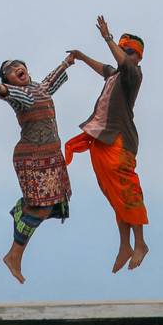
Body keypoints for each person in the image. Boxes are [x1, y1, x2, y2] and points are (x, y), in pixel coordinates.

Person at [0, 54, 73, 283]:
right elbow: (14, 95)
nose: (18, 68)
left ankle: (18, 227)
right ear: (9, 80)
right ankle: (14, 254)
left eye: (20, 65)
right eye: (11, 69)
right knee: (40, 208)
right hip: (31, 158)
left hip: (51, 157)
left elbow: (51, 80)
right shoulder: (20, 95)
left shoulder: (39, 88)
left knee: (51, 207)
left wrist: (68, 62)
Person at [64, 16, 148, 273]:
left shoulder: (133, 73)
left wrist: (107, 38)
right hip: (102, 138)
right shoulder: (116, 74)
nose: (123, 54)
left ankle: (141, 243)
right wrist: (80, 55)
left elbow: (119, 62)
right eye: (123, 50)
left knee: (127, 190)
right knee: (114, 194)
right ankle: (125, 245)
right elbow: (103, 68)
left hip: (119, 140)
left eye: (128, 51)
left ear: (138, 57)